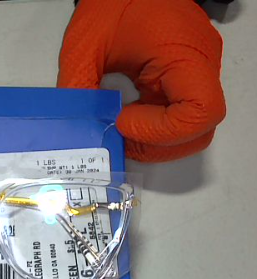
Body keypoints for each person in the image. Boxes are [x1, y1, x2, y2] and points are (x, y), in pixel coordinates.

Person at [58, 0, 232, 162]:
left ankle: (107, 135)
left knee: (199, 135)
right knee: (76, 114)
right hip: (180, 23)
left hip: (183, 26)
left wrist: (110, 122)